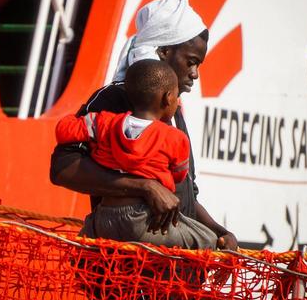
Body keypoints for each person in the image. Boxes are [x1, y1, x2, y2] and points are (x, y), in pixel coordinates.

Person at [50, 0, 238, 250]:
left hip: (172, 274)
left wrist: (220, 232)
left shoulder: (173, 110)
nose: (195, 74)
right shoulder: (114, 98)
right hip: (125, 270)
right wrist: (145, 187)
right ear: (164, 52)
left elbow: (185, 194)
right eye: (191, 62)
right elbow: (63, 168)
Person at [55, 59, 217, 249]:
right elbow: (180, 175)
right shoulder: (175, 138)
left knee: (87, 246)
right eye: (176, 99)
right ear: (167, 98)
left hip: (104, 217)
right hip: (144, 220)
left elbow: (63, 130)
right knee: (208, 239)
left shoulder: (104, 123)